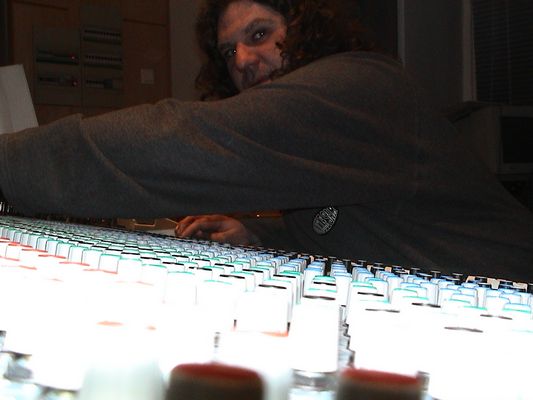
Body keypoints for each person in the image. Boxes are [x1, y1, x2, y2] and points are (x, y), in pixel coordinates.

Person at [0, 0, 532, 282]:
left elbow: (179, 141)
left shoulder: (361, 86)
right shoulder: (320, 146)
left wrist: (7, 163)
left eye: (258, 34)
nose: (244, 62)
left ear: (306, 23)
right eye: (229, 52)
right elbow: (357, 226)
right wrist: (263, 234)